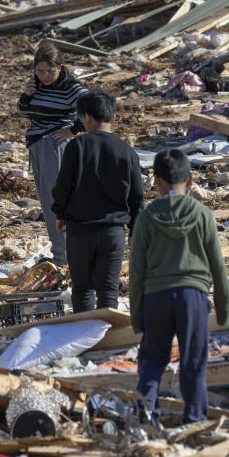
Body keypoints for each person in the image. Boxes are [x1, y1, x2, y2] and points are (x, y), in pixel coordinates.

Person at [129, 149, 229, 424]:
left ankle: (144, 417)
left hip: (156, 297)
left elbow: (136, 272)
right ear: (191, 180)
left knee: (151, 360)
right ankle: (194, 420)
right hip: (192, 296)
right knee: (193, 362)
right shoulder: (202, 214)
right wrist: (223, 310)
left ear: (157, 181)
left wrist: (137, 317)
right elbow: (218, 266)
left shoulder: (147, 218)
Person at [52, 90, 144, 313]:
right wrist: (134, 229)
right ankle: (107, 339)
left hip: (80, 230)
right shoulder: (127, 151)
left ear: (86, 118)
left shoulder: (76, 146)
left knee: (82, 288)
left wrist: (60, 213)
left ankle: (85, 340)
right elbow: (137, 196)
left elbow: (63, 186)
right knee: (108, 289)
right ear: (113, 118)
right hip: (113, 233)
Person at [18, 42, 88, 266]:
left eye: (50, 71)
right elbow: (24, 110)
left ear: (61, 67)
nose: (45, 76)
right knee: (49, 202)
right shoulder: (36, 85)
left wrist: (73, 129)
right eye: (40, 71)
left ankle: (65, 257)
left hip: (56, 147)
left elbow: (95, 108)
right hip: (39, 144)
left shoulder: (69, 87)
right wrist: (26, 95)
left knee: (56, 203)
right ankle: (64, 254)